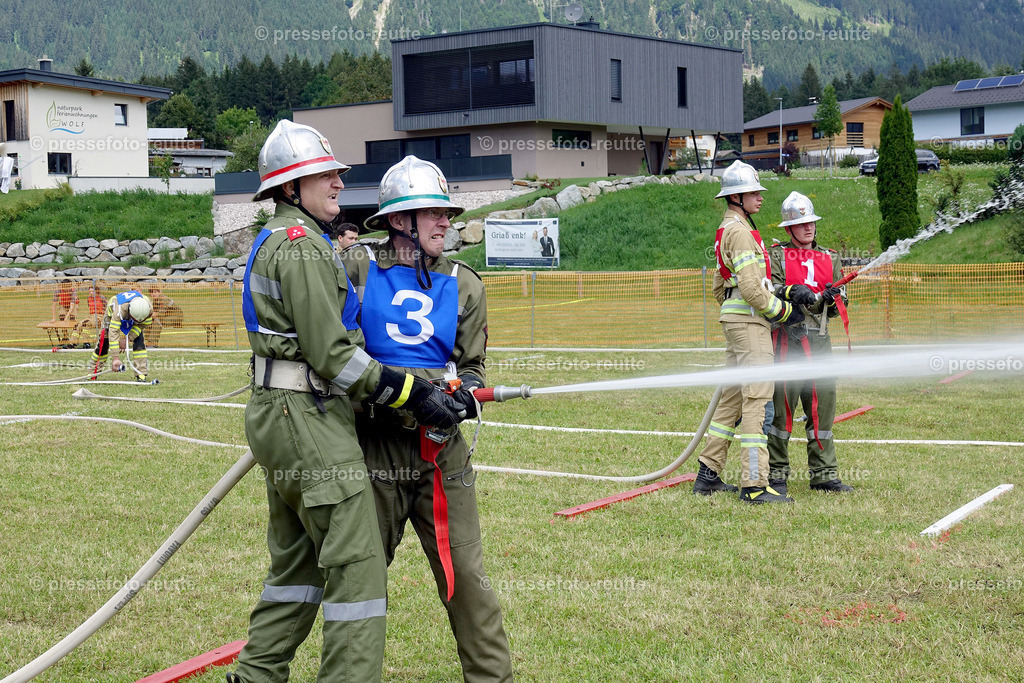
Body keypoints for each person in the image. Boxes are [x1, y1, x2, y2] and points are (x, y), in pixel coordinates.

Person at [229, 122, 466, 683]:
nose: (338, 183)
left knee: (298, 566)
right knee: (359, 567)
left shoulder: (283, 238)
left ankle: (256, 674)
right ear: (290, 188)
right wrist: (414, 394)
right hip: (308, 417)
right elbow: (334, 355)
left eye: (336, 173)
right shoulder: (304, 247)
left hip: (282, 414)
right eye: (324, 175)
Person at [341, 155, 514, 682]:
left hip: (441, 453)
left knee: (468, 579)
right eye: (433, 212)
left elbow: (472, 367)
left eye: (448, 212)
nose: (446, 222)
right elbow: (336, 356)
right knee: (359, 581)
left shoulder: (466, 283)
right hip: (371, 448)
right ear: (399, 220)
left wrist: (466, 396)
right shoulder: (355, 269)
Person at [693, 160, 803, 504]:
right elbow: (753, 290)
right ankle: (754, 484)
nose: (760, 197)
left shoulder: (728, 228)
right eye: (753, 192)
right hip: (750, 323)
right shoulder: (740, 232)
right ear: (736, 197)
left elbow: (719, 284)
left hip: (735, 321)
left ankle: (708, 475)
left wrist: (732, 312)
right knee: (757, 398)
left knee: (732, 398)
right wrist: (785, 312)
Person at [766, 192, 854, 494]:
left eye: (811, 223)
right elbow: (770, 289)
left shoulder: (831, 257)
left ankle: (824, 475)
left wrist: (833, 299)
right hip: (787, 339)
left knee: (822, 409)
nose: (808, 228)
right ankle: (776, 475)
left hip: (820, 340)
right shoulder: (776, 255)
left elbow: (841, 302)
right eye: (801, 224)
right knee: (782, 412)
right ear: (788, 228)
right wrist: (793, 291)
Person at [88, 289, 153, 381]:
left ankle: (141, 373)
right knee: (104, 342)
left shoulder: (148, 308)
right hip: (113, 315)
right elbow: (113, 331)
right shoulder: (119, 309)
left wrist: (128, 339)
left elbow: (142, 325)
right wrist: (115, 358)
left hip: (134, 315)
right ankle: (93, 373)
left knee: (139, 342)